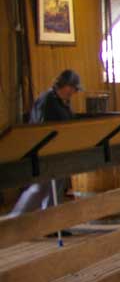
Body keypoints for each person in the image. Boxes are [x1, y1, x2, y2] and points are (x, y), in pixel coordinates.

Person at [8, 69, 82, 219]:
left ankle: (51, 222)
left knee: (56, 187)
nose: (74, 92)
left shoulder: (63, 102)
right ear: (65, 85)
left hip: (59, 150)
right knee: (40, 188)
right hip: (43, 151)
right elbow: (41, 128)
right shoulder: (47, 100)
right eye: (73, 88)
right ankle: (15, 219)